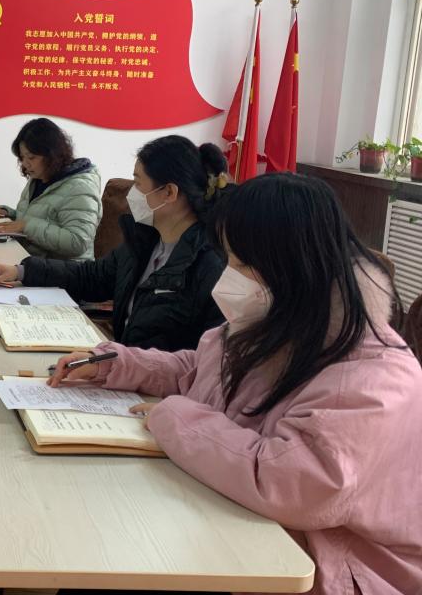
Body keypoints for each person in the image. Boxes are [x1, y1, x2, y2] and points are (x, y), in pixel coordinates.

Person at [49, 173, 422, 595]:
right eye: (228, 260)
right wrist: (115, 365)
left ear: (292, 265)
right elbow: (201, 371)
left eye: (241, 264)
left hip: (331, 570)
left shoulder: (376, 377)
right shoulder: (280, 318)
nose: (229, 277)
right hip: (241, 529)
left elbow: (290, 483)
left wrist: (174, 417)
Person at [0, 135, 228, 352]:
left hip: (158, 385)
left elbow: (204, 360)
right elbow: (91, 277)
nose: (132, 193)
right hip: (122, 368)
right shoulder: (144, 241)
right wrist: (22, 271)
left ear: (169, 193)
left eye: (138, 183)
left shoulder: (212, 265)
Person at [0, 117, 101, 260]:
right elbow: (41, 219)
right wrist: (9, 215)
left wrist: (25, 226)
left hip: (67, 270)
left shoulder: (80, 188)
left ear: (52, 155)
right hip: (34, 261)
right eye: (22, 157)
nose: (25, 164)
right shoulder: (39, 178)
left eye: (31, 157)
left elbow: (77, 242)